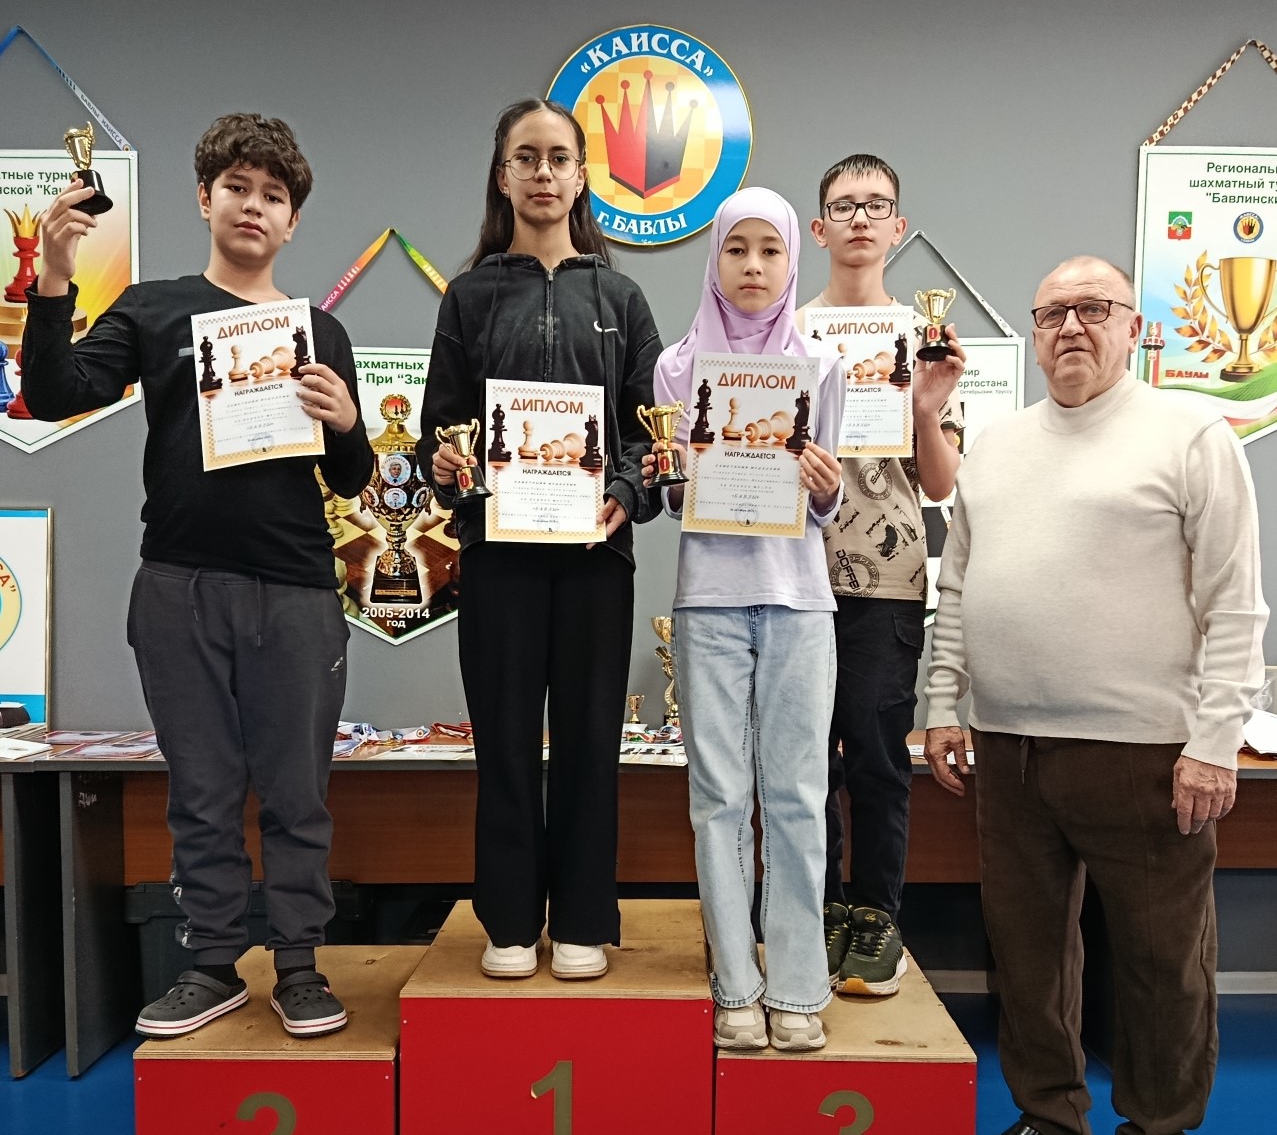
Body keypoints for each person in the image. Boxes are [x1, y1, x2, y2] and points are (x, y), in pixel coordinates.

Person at [924, 257, 1267, 1135]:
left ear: (1130, 326)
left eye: (1092, 308)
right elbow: (959, 585)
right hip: (1007, 748)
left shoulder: (1190, 434)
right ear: (1034, 333)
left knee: (1160, 965)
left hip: (1145, 756)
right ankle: (1050, 1114)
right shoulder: (996, 444)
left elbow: (1235, 603)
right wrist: (943, 701)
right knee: (1027, 951)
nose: (1070, 326)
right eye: (1051, 313)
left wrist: (1214, 739)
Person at [22, 114, 373, 1038]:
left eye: (273, 196)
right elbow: (52, 394)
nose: (254, 206)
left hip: (296, 592)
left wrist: (346, 421)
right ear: (204, 198)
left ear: (292, 220)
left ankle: (298, 964)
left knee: (296, 790)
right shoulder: (154, 308)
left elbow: (351, 479)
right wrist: (54, 275)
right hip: (178, 587)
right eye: (238, 188)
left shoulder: (319, 331)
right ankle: (213, 962)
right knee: (202, 788)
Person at [421, 98, 661, 981]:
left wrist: (626, 493)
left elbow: (649, 433)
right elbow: (441, 427)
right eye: (526, 157)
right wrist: (448, 464)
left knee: (593, 739)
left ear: (582, 175)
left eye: (559, 157)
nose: (543, 173)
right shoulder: (468, 296)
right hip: (499, 559)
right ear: (503, 175)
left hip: (597, 559)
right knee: (505, 740)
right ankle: (511, 921)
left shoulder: (621, 297)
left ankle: (585, 920)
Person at [648, 187, 846, 1051]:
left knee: (797, 796)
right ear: (714, 258)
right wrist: (671, 479)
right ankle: (736, 982)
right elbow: (670, 497)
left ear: (792, 259)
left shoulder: (823, 366)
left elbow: (826, 502)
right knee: (718, 798)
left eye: (770, 250)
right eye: (737, 249)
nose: (753, 266)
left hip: (799, 599)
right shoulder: (675, 368)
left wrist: (826, 489)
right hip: (708, 601)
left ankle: (797, 987)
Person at [795, 154, 964, 995]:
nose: (859, 218)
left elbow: (939, 483)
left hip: (888, 580)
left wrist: (926, 410)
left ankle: (876, 918)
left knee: (873, 756)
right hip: (792, 579)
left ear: (896, 227)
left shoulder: (922, 338)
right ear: (818, 229)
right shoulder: (784, 334)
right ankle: (818, 910)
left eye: (875, 206)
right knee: (804, 762)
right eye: (843, 206)